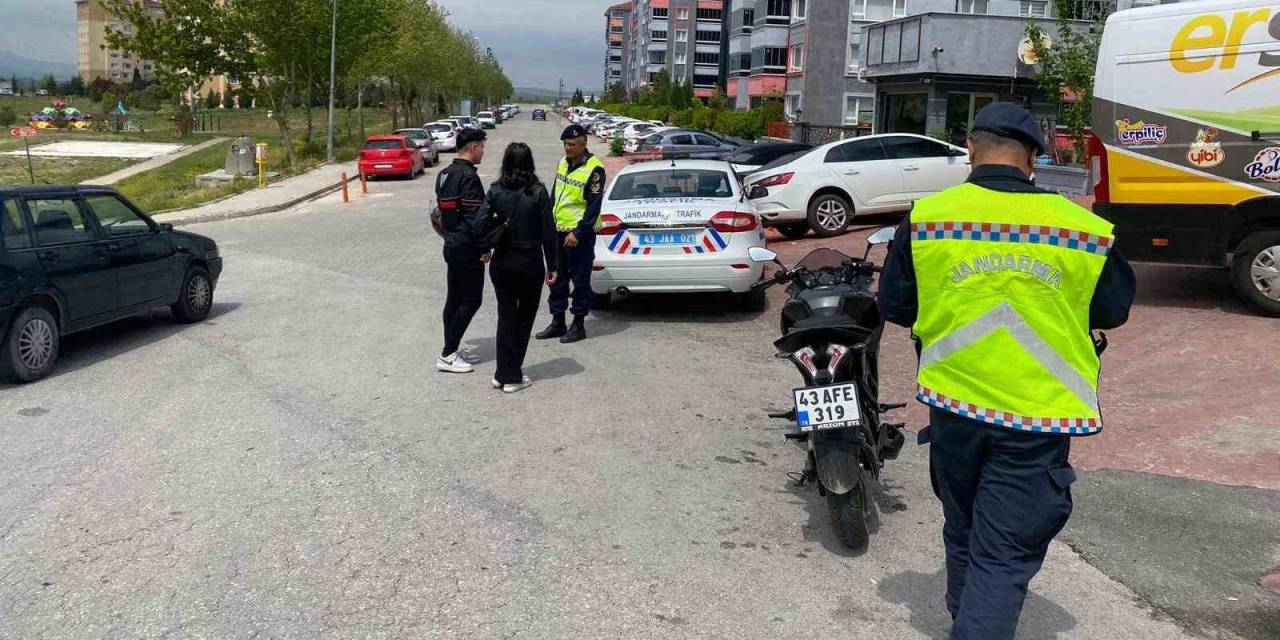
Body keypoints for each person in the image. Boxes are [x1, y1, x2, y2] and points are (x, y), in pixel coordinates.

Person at [877, 102, 1136, 640]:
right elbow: (1113, 310)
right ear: (1034, 159)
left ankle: (966, 617)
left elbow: (897, 305)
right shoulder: (1083, 230)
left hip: (954, 405)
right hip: (1035, 416)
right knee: (1003, 555)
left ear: (971, 149)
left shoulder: (928, 217)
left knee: (964, 527)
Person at [480, 142, 559, 393]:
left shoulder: (494, 191)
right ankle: (511, 375)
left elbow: (479, 223)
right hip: (529, 262)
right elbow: (548, 233)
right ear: (529, 163)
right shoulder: (538, 192)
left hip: (502, 261)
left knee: (506, 317)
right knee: (524, 319)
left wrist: (484, 249)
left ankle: (502, 372)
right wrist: (553, 265)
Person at [535, 124, 607, 344]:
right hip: (558, 231)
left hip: (579, 236)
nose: (567, 148)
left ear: (584, 144)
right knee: (557, 278)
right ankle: (558, 321)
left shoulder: (595, 169)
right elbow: (556, 194)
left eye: (572, 145)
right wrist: (547, 221)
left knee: (580, 280)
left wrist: (578, 232)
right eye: (565, 144)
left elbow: (594, 206)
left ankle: (578, 325)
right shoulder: (563, 163)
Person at [435, 127, 489, 374]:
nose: (483, 151)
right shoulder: (468, 177)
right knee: (472, 299)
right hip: (467, 248)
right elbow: (474, 217)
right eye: (482, 146)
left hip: (452, 244)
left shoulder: (444, 174)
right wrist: (484, 246)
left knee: (454, 299)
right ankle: (447, 353)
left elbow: (441, 214)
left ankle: (451, 349)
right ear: (473, 147)